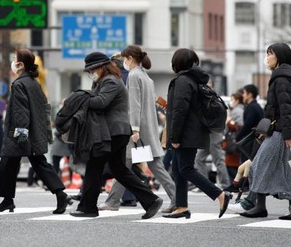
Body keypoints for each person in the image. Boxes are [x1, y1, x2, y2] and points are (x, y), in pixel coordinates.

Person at [68, 52, 162, 219]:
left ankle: (88, 207)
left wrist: (79, 98)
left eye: (93, 69)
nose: (91, 72)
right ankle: (151, 200)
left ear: (102, 67)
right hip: (115, 132)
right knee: (119, 170)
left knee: (94, 167)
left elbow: (100, 102)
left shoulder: (110, 81)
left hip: (113, 132)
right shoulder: (104, 81)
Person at [0, 47, 70, 214]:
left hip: (20, 133)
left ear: (20, 64)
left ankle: (59, 194)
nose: (12, 62)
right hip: (33, 132)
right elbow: (43, 108)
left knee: (11, 164)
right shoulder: (33, 83)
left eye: (14, 58)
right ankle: (8, 200)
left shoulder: (19, 84)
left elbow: (21, 111)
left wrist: (20, 133)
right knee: (27, 163)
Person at [99, 46, 177, 214]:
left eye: (124, 58)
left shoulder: (134, 76)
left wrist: (134, 129)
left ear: (130, 58)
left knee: (125, 166)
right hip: (147, 129)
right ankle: (113, 200)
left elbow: (134, 105)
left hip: (137, 132)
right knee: (134, 166)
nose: (123, 62)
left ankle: (113, 201)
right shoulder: (146, 77)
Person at [239, 43, 291, 220]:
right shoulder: (282, 77)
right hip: (277, 131)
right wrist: (266, 128)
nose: (267, 57)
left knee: (259, 164)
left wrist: (289, 134)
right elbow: (275, 109)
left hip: (281, 133)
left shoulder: (282, 79)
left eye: (270, 54)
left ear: (280, 57)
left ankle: (260, 206)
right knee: (290, 170)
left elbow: (287, 108)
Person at [163, 48, 230, 219]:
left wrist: (175, 137)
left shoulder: (182, 81)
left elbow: (180, 111)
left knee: (185, 169)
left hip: (186, 134)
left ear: (177, 63)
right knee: (178, 170)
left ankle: (219, 194)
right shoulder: (193, 80)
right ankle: (182, 206)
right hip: (192, 132)